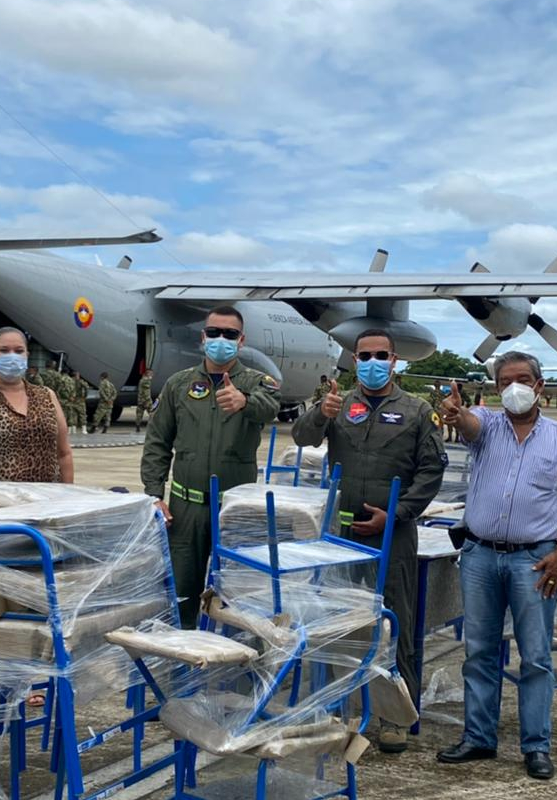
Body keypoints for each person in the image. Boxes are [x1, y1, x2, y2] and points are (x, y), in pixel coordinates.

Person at [435, 351, 557, 780]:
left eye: (522, 379)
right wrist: (457, 414)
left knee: (536, 655)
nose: (514, 388)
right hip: (481, 556)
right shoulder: (486, 425)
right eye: (505, 381)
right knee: (479, 650)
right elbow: (467, 424)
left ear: (539, 385)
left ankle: (536, 746)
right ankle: (479, 737)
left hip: (534, 559)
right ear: (496, 387)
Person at [291, 329, 446, 754]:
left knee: (395, 623)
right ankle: (337, 705)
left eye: (381, 355)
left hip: (392, 533)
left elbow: (431, 470)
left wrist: (397, 513)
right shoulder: (338, 404)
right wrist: (320, 414)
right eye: (364, 356)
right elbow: (302, 437)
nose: (372, 363)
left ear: (394, 361)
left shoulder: (416, 410)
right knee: (339, 620)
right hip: (341, 534)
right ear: (354, 360)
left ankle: (395, 717)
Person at [140, 305, 281, 627]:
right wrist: (154, 494)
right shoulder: (178, 384)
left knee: (238, 595)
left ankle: (235, 653)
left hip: (233, 510)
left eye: (230, 334)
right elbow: (158, 442)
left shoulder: (257, 382)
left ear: (241, 340)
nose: (221, 339)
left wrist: (245, 402)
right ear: (203, 337)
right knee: (180, 592)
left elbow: (270, 407)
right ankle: (181, 651)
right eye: (214, 332)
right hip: (185, 509)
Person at [0, 327, 73, 486]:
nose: (12, 356)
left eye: (19, 351)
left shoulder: (47, 396)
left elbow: (64, 453)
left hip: (44, 498)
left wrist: (68, 493)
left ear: (27, 356)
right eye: (4, 351)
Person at [55, 367, 77, 437]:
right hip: (70, 400)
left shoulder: (60, 379)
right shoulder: (71, 380)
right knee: (70, 413)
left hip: (63, 399)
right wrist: (72, 396)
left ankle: (62, 430)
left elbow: (59, 390)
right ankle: (70, 429)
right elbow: (74, 389)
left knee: (62, 414)